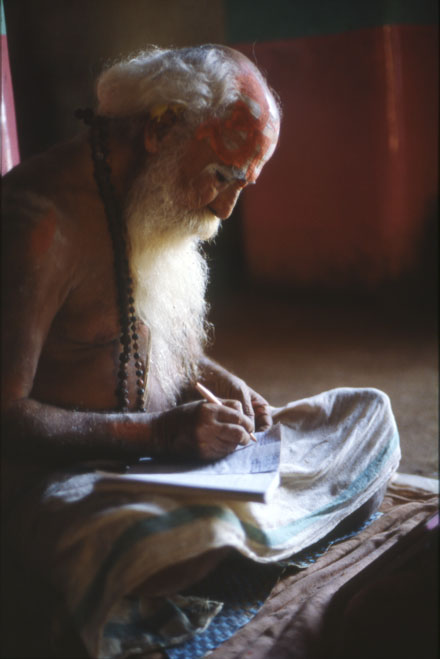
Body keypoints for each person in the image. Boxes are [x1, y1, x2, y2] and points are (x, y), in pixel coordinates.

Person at [1, 45, 400, 658]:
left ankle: (222, 548)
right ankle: (221, 549)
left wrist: (212, 377)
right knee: (137, 542)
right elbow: (6, 417)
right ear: (160, 129)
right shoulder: (36, 220)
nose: (224, 209)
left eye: (240, 185)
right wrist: (160, 434)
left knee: (368, 418)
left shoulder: (142, 204)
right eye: (221, 176)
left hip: (174, 463)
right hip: (71, 485)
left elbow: (134, 339)